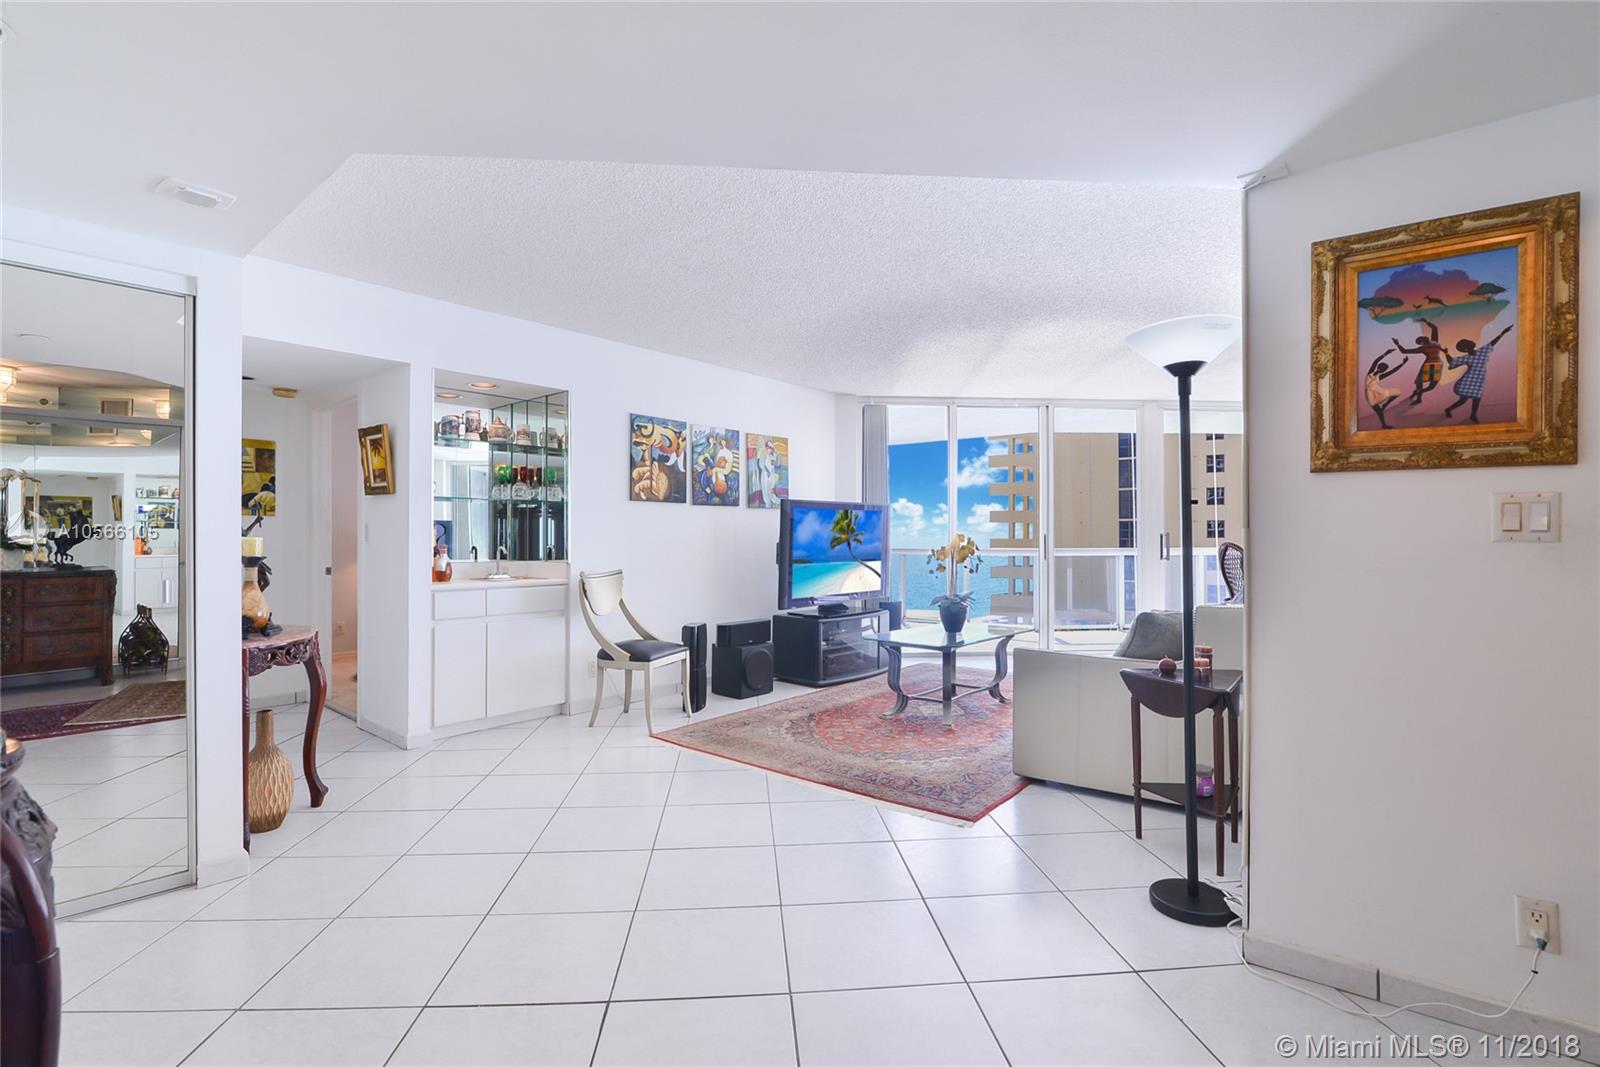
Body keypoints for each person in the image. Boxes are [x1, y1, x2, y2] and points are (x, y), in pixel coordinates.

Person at [1444, 322, 1514, 423]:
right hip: (1468, 381)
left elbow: (1492, 343)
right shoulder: (1467, 357)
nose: (1472, 341)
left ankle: (1473, 415)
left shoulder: (1482, 351)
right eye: (1469, 342)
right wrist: (1446, 353)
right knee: (1463, 400)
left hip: (1478, 380)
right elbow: (1452, 361)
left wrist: (1502, 333)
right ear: (1467, 348)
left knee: (1477, 398)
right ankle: (1448, 409)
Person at [1394, 317, 1450, 406]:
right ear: (1422, 343)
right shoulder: (1423, 348)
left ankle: (1418, 392)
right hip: (1432, 365)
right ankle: (1419, 398)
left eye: (1423, 336)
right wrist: (1398, 344)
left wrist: (1426, 321)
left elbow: (1434, 328)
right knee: (1419, 383)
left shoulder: (1434, 342)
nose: (1424, 336)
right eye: (1422, 338)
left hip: (1436, 365)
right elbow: (1404, 351)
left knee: (1431, 386)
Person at [1364, 348, 1410, 429]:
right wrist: (1385, 354)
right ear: (1380, 368)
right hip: (1370, 395)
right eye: (1384, 369)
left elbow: (1392, 371)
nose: (1384, 370)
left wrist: (1402, 364)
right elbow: (1375, 362)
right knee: (1379, 412)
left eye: (1384, 370)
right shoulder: (1370, 373)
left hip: (1379, 392)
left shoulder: (1379, 376)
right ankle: (1384, 425)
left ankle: (1385, 404)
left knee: (1397, 392)